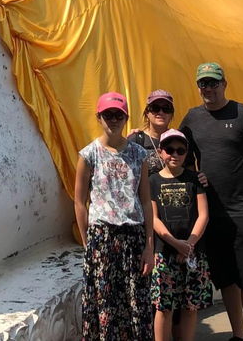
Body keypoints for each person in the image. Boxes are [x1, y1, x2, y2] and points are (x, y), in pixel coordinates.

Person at [180, 62, 243, 341]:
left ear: (224, 84)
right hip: (210, 212)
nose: (208, 88)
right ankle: (239, 335)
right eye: (203, 84)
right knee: (226, 279)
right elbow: (176, 154)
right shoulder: (192, 118)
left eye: (213, 82)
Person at [74, 91, 154, 340]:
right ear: (99, 117)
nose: (113, 119)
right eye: (108, 114)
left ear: (126, 117)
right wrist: (88, 243)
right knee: (105, 304)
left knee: (136, 304)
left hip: (133, 236)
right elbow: (79, 201)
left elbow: (145, 200)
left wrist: (149, 245)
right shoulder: (89, 155)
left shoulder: (139, 154)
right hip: (103, 236)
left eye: (118, 114)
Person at [150, 128, 212, 341]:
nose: (174, 154)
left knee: (190, 305)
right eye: (169, 149)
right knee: (164, 306)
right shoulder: (153, 181)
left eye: (180, 150)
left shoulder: (194, 179)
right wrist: (176, 244)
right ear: (161, 151)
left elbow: (203, 215)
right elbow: (154, 218)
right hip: (165, 253)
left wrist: (189, 244)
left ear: (186, 153)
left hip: (193, 252)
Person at [128, 90, 175, 175]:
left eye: (166, 109)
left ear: (171, 114)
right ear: (147, 113)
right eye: (155, 108)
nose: (160, 112)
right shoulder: (135, 140)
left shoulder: (178, 139)